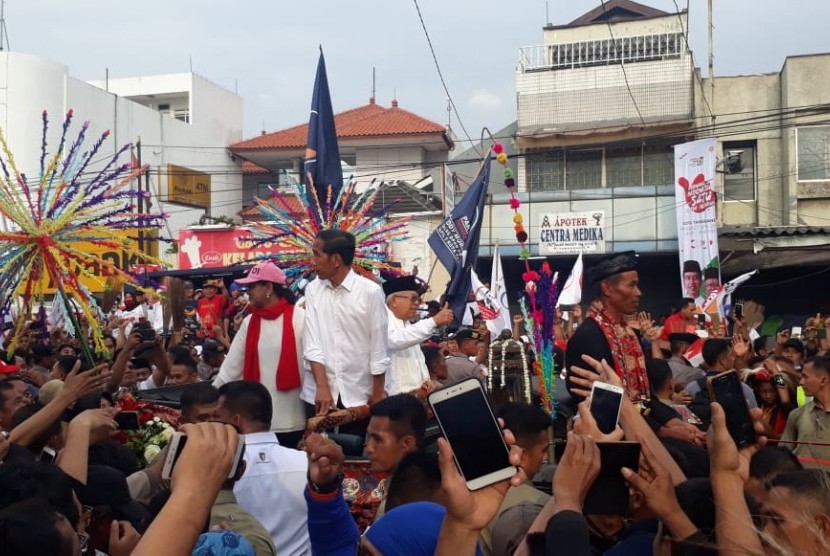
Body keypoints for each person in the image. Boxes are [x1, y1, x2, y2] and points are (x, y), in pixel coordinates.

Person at [301, 229, 390, 437]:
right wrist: (322, 387)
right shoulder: (313, 290)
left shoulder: (371, 292)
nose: (313, 261)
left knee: (354, 457)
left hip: (359, 395)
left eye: (317, 254)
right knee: (319, 457)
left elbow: (379, 348)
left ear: (336, 260)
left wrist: (377, 396)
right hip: (319, 393)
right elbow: (312, 343)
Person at [213, 261, 307, 448]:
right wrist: (212, 394)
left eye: (252, 286)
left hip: (294, 418)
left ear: (269, 287)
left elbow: (313, 364)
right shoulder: (250, 322)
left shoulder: (300, 317)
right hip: (258, 422)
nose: (248, 291)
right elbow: (232, 365)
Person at [213, 381, 310, 555]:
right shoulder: (307, 464)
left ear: (236, 421)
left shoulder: (218, 468)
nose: (213, 425)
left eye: (217, 418)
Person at [565, 251, 650, 404]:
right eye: (632, 285)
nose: (639, 293)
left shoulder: (631, 334)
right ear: (607, 288)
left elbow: (648, 397)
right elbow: (589, 400)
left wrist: (668, 421)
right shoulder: (587, 337)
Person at [479, 402, 552, 556]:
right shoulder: (532, 509)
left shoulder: (474, 495)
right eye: (544, 450)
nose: (546, 458)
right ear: (522, 455)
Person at [383, 275, 454, 396]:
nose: (417, 303)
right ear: (394, 300)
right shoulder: (381, 320)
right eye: (413, 299)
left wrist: (427, 381)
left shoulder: (406, 324)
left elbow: (417, 360)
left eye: (418, 299)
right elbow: (395, 340)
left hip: (416, 399)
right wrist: (434, 321)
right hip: (394, 401)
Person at [685, 338, 757, 430]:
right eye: (731, 355)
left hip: (701, 441)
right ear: (723, 360)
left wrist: (699, 427)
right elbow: (754, 419)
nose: (733, 359)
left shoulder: (691, 388)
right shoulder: (742, 389)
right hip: (734, 442)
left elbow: (686, 418)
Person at [780, 356, 830, 468]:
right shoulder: (796, 415)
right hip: (802, 482)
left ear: (823, 380)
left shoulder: (785, 383)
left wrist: (776, 374)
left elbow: (784, 399)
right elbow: (783, 453)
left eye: (805, 377)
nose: (801, 382)